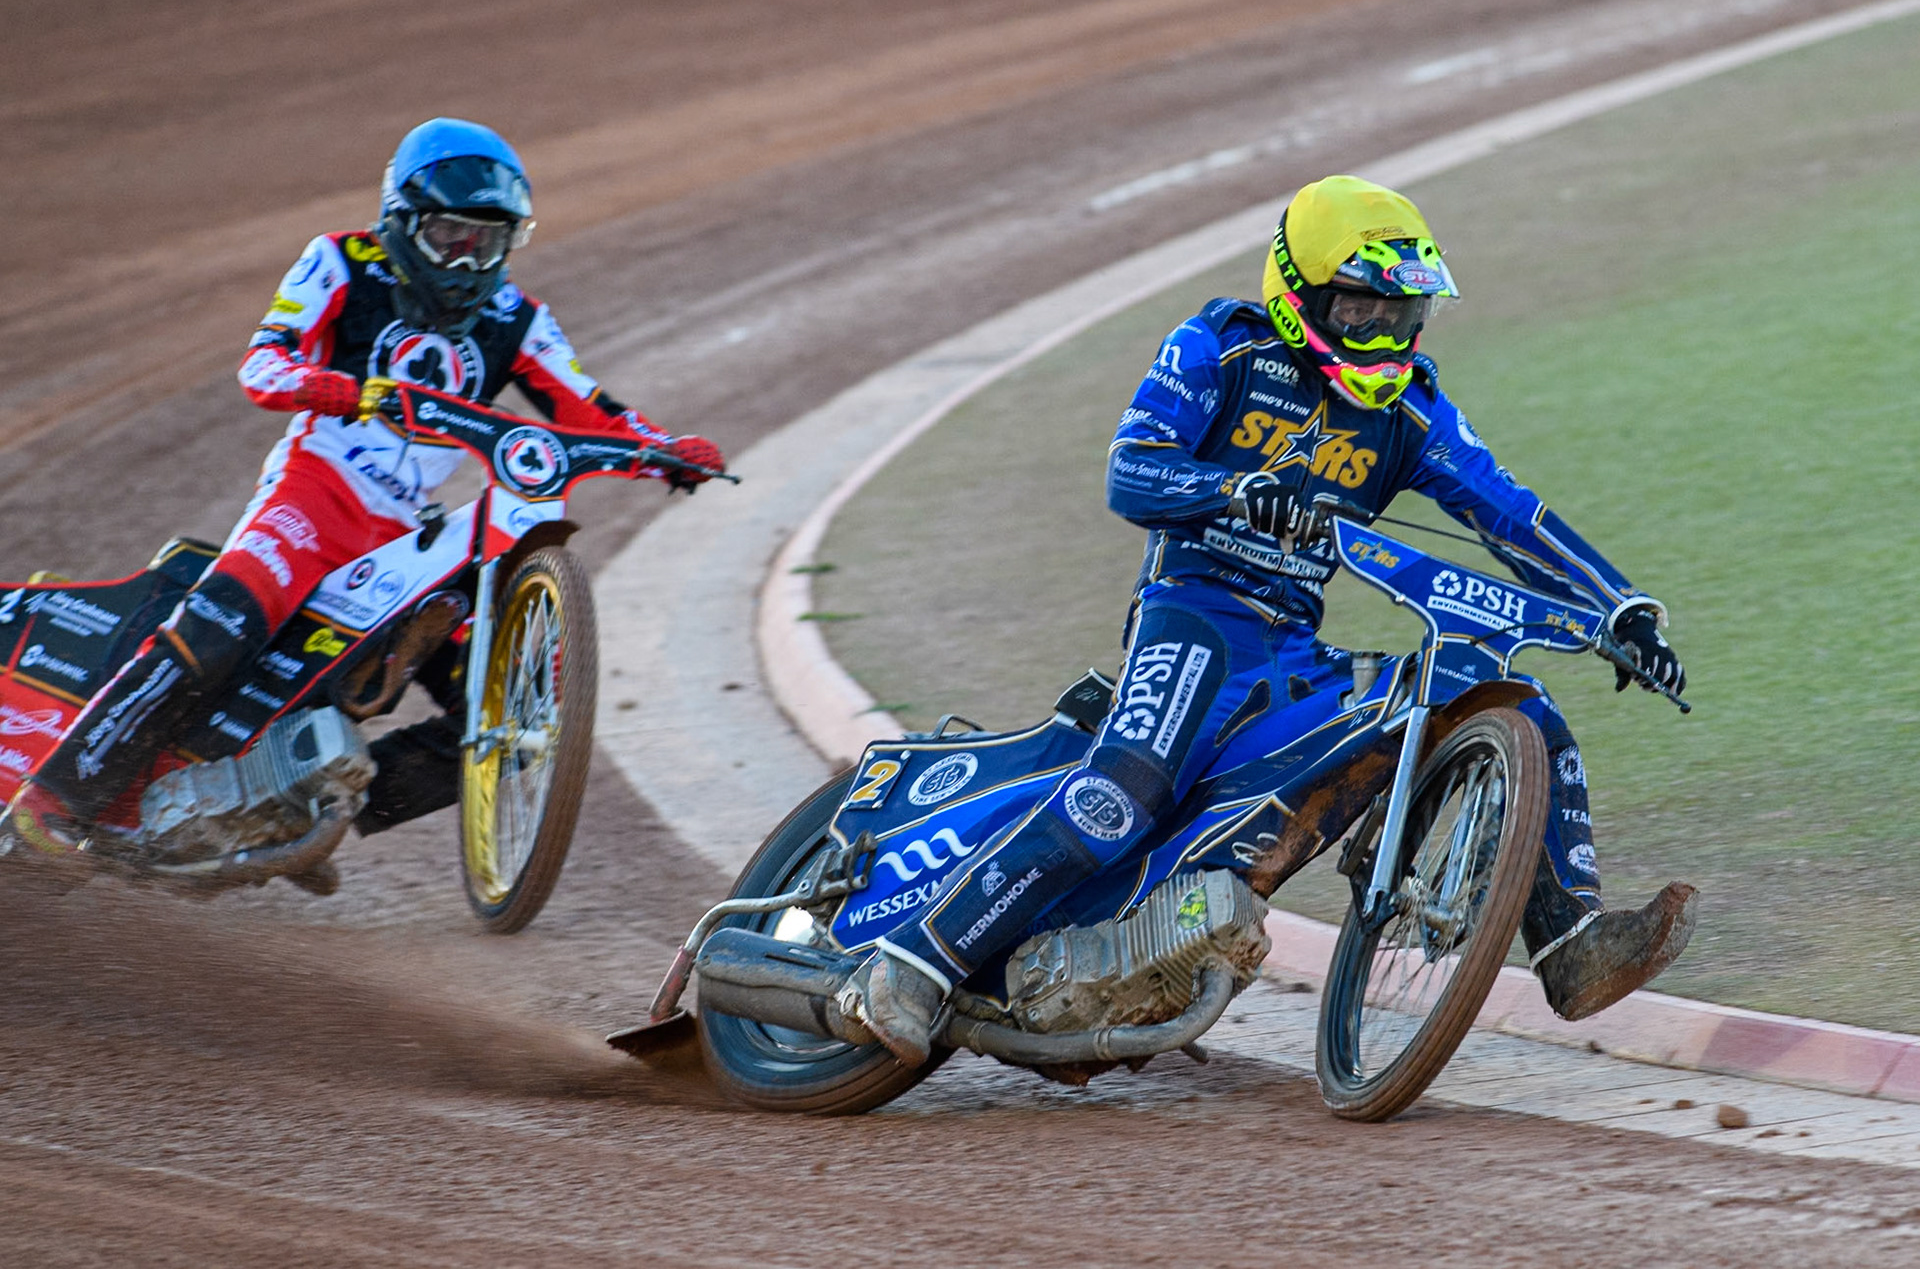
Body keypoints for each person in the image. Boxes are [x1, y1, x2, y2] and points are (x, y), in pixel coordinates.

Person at [839, 174, 1696, 1066]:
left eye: (1407, 318)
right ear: (1301, 294)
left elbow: (1509, 513)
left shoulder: (1412, 408)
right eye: (1366, 313)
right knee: (1124, 792)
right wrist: (1237, 491)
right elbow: (1131, 474)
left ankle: (1572, 945)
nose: (1389, 337)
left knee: (1517, 703)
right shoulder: (1221, 346)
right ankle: (911, 965)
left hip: (1291, 648)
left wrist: (1620, 610)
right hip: (1191, 615)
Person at [3, 117, 726, 859]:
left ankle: (305, 813)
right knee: (218, 627)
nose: (469, 259)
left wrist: (664, 450)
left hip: (410, 538)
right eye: (451, 236)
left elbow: (590, 408)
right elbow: (262, 365)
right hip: (310, 499)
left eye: (489, 241)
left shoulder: (520, 318)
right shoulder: (339, 262)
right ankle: (56, 799)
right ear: (404, 221)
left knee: (511, 703)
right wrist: (338, 391)